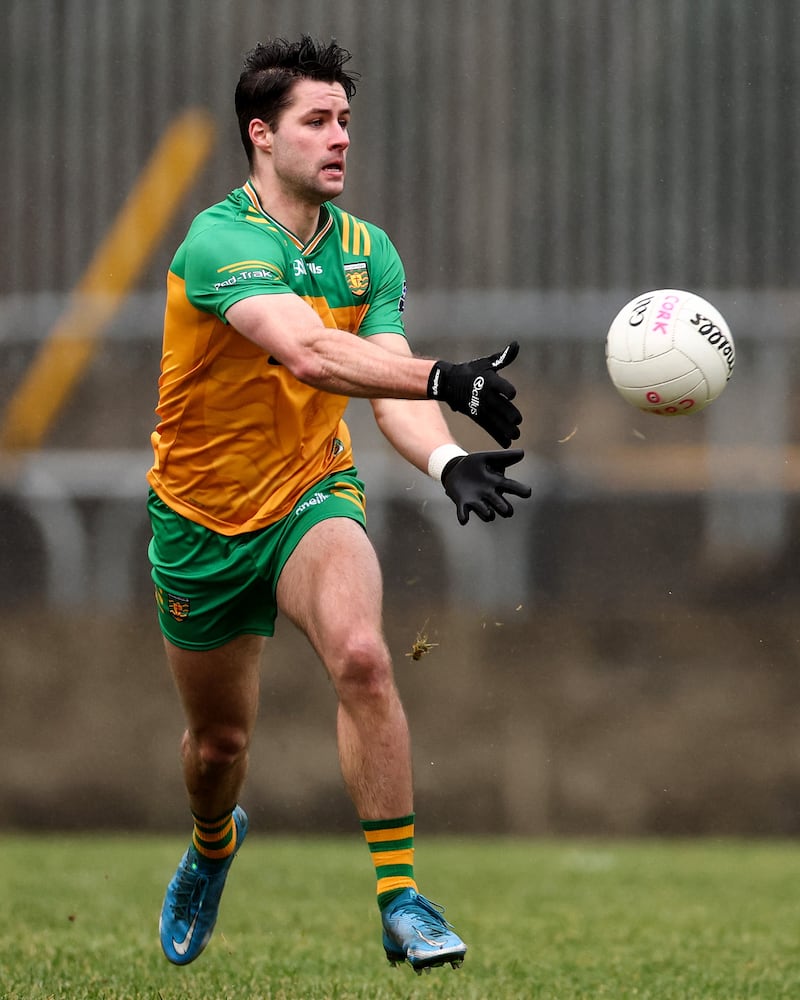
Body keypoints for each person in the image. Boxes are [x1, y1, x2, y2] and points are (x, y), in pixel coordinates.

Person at [147, 34, 531, 975]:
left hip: (311, 494)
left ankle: (402, 898)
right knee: (216, 745)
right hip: (198, 520)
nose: (339, 138)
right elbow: (311, 353)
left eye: (345, 121)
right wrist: (443, 375)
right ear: (261, 136)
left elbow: (388, 384)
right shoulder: (219, 241)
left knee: (363, 656)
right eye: (316, 121)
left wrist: (443, 459)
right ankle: (212, 843)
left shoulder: (369, 252)